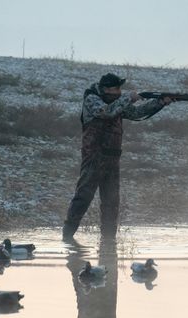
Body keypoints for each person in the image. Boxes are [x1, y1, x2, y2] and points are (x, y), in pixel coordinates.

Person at [63, 73, 173, 240]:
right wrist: (129, 97)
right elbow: (107, 112)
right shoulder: (92, 99)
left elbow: (136, 113)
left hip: (112, 160)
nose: (120, 91)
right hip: (94, 157)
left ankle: (108, 242)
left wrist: (160, 103)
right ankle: (67, 238)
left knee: (111, 203)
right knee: (83, 197)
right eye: (117, 88)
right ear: (106, 89)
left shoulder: (116, 101)